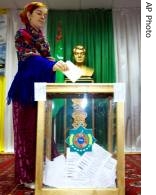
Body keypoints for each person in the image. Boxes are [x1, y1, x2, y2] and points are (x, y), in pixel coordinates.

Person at [7, 2, 68, 189]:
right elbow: (30, 61)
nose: (43, 17)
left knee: (43, 133)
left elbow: (45, 61)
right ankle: (26, 177)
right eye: (39, 13)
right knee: (27, 135)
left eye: (45, 14)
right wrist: (50, 64)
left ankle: (46, 173)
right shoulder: (22, 35)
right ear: (29, 15)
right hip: (25, 92)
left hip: (40, 93)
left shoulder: (43, 40)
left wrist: (56, 63)